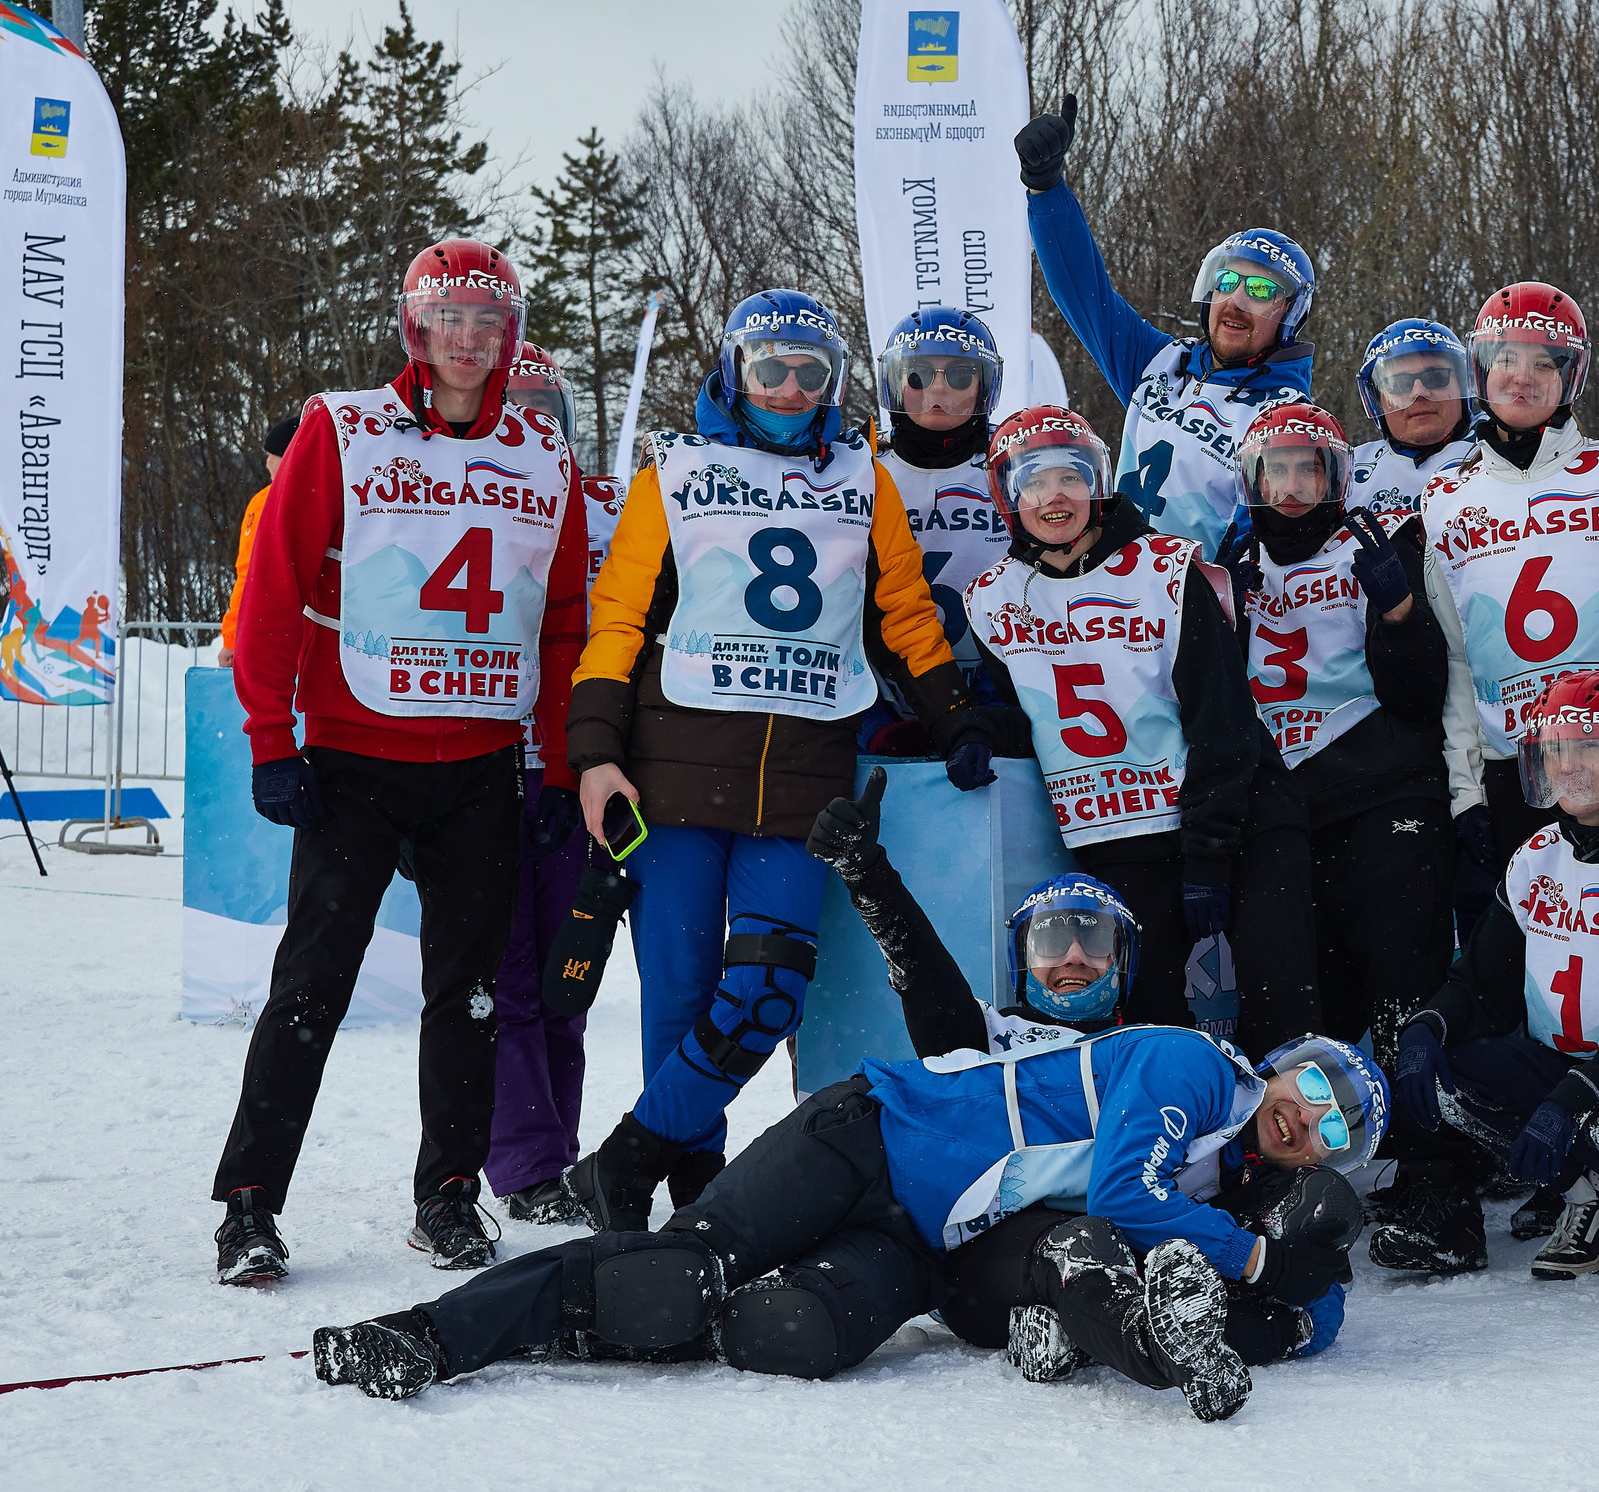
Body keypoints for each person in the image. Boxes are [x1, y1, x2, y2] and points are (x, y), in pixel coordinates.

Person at [309, 1019, 1378, 1422]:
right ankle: (431, 1334)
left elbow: (1311, 1295)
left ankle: (621, 1321)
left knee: (797, 1337)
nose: (1311, 1114)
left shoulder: (1223, 1172)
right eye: (1317, 1081)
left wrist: (1289, 1290)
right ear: (1286, 1057)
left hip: (917, 1241)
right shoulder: (1197, 1069)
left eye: (1338, 1124)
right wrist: (1255, 1254)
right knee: (683, 1270)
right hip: (869, 1134)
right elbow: (1112, 1199)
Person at [558, 290, 1011, 1232]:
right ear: (734, 371)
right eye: (773, 367)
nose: (793, 386)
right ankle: (692, 1181)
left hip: (803, 775)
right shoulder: (672, 473)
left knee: (766, 990)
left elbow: (905, 618)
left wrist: (957, 717)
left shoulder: (863, 477)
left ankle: (627, 1154)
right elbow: (619, 623)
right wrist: (595, 753)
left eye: (814, 370)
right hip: (672, 772)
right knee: (679, 994)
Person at [217, 238, 588, 1282]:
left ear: (510, 333)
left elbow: (563, 624)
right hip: (355, 756)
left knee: (469, 993)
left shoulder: (542, 453)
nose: (468, 339)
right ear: (415, 326)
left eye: (488, 319)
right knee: (312, 986)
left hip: (478, 762)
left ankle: (448, 1194)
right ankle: (249, 1203)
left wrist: (554, 765)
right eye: (449, 318)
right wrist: (270, 737)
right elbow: (275, 592)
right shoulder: (343, 426)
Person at [803, 771, 1374, 1381]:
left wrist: (1295, 1311)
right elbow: (924, 978)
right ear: (1022, 959)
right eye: (1052, 940)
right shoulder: (992, 1038)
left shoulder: (1170, 1070)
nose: (1073, 957)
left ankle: (1090, 1325)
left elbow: (1301, 1253)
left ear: (1124, 962)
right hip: (971, 1249)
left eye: (1094, 939)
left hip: (1088, 1256)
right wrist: (869, 877)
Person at [965, 404, 1319, 1055]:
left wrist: (1209, 858)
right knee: (1151, 1032)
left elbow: (1223, 722)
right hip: (1117, 842)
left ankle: (1288, 1149)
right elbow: (1035, 721)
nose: (1054, 497)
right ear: (1008, 495)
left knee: (1277, 1012)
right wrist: (971, 731)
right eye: (1033, 481)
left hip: (1237, 820)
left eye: (1071, 476)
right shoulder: (993, 598)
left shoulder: (1162, 569)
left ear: (1098, 482)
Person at [1373, 671, 1599, 1281]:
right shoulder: (1537, 856)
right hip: (1564, 1066)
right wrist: (1427, 1028)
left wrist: (1573, 1099)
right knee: (1444, 1072)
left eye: (1588, 746)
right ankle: (1594, 1193)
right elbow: (1481, 980)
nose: (1568, 765)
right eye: (1553, 749)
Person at [1420, 282, 1599, 874]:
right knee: (1538, 947)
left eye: (1543, 362)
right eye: (1505, 359)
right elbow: (1457, 660)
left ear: (1572, 376)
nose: (1521, 378)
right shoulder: (1445, 498)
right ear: (1481, 369)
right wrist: (1467, 791)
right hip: (1519, 765)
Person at [1230, 402, 1453, 1078]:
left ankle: (1426, 1150)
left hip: (1377, 792)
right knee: (1299, 995)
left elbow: (1421, 695)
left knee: (1401, 983)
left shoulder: (1374, 546)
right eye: (1278, 471)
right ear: (1254, 482)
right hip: (1281, 810)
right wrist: (1221, 623)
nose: (1293, 487)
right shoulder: (1234, 559)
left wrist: (1400, 612)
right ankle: (1301, 1143)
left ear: (1336, 479)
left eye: (1310, 469)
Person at [1014, 96, 1314, 550]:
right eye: (1227, 281)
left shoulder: (1282, 419)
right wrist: (1046, 187)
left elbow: (1267, 549)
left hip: (1193, 605)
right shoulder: (1162, 363)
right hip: (1114, 592)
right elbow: (1084, 293)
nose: (1235, 302)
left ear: (1288, 315)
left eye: (1260, 291)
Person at [478, 354, 612, 1224]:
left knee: (570, 976)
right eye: (512, 405)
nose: (529, 422)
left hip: (582, 771)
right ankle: (522, 1160)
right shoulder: (456, 489)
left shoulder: (611, 506)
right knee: (504, 977)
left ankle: (551, 1150)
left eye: (544, 407)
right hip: (480, 767)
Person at [868, 306, 1014, 720]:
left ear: (984, 386)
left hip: (1000, 690)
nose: (937, 391)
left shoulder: (1012, 464)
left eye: (960, 376)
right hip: (883, 694)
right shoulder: (863, 466)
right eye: (917, 376)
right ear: (894, 382)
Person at [1346, 318, 1478, 523]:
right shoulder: (1349, 474)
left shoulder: (1504, 443)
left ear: (1463, 386)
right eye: (1398, 384)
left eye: (1436, 377)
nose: (1419, 393)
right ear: (1377, 400)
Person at [216, 414, 300, 668]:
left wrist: (232, 638)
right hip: (317, 634)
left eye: (270, 456)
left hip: (269, 632)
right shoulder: (336, 495)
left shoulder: (266, 501)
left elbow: (249, 574)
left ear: (286, 457)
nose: (266, 464)